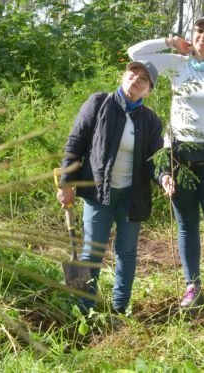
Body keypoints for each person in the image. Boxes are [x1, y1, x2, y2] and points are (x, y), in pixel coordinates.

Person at [127, 15, 204, 307]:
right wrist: (171, 42)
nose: (203, 36)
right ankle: (193, 286)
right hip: (178, 153)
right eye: (199, 30)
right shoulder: (177, 63)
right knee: (187, 223)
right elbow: (135, 54)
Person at [56, 60, 165, 315]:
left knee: (126, 252)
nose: (136, 78)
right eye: (133, 72)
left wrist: (165, 177)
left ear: (148, 90)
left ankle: (120, 308)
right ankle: (86, 311)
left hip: (132, 194)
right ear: (123, 76)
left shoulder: (151, 121)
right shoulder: (98, 103)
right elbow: (76, 144)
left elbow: (155, 160)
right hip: (98, 192)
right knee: (92, 253)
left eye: (144, 78)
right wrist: (67, 183)